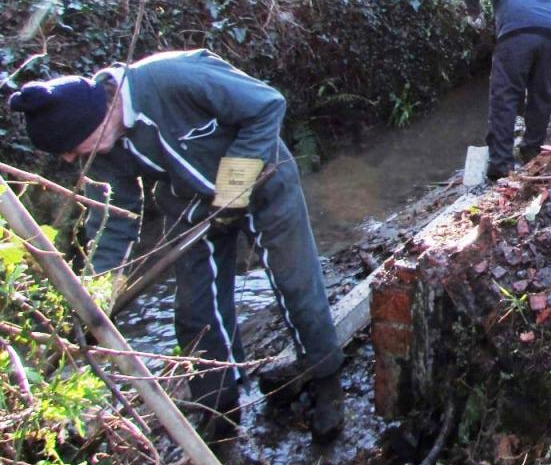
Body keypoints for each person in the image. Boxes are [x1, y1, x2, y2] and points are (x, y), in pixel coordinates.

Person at [7, 50, 345, 443]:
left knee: (297, 285)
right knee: (195, 310)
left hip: (264, 183)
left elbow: (267, 105)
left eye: (71, 146)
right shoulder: (101, 149)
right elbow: (114, 219)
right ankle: (219, 408)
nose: (70, 157)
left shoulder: (177, 77)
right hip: (191, 207)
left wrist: (233, 192)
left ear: (99, 115)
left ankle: (325, 382)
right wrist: (96, 296)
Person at [464, 0, 551, 181]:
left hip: (518, 31)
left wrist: (474, 13)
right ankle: (531, 149)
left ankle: (501, 163)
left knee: (504, 95)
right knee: (540, 93)